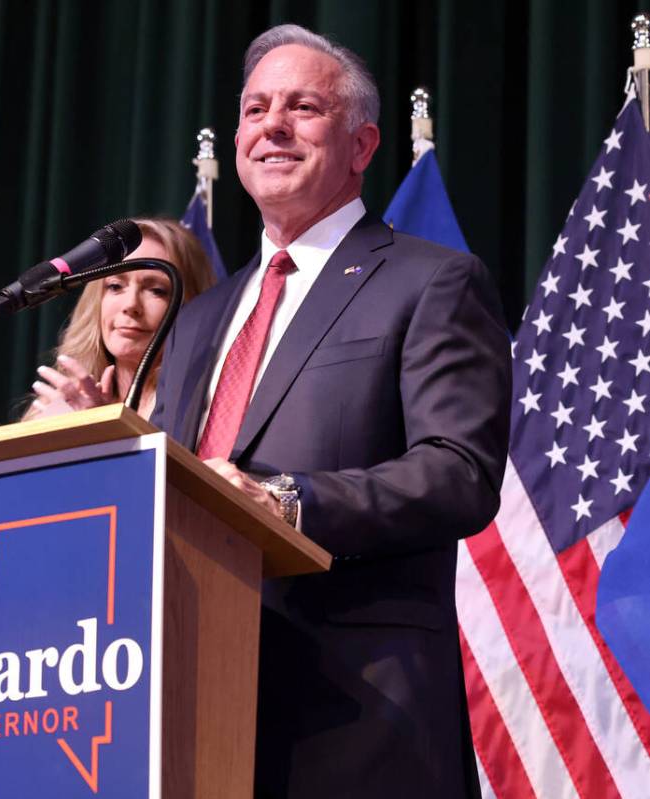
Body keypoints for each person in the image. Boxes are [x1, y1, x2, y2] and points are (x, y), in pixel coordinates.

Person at [151, 25, 511, 798]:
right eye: (254, 109)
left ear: (361, 144)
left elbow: (460, 471)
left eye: (302, 107)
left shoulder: (430, 282)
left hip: (354, 714)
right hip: (185, 701)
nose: (270, 126)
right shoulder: (197, 318)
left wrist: (287, 502)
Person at [28, 218, 214, 420]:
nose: (131, 305)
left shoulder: (205, 408)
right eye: (115, 286)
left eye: (156, 290)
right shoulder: (60, 406)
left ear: (192, 303)